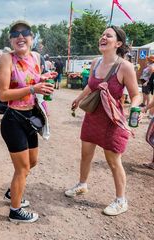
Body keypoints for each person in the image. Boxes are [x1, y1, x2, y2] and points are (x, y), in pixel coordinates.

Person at [65, 26, 140, 216]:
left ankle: (121, 200)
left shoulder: (125, 67)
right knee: (86, 155)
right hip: (92, 118)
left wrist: (135, 107)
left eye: (109, 35)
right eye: (102, 34)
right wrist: (79, 98)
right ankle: (82, 184)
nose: (103, 37)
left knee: (113, 161)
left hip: (112, 122)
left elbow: (135, 94)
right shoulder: (96, 63)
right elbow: (92, 87)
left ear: (119, 43)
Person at [0, 20, 56, 223]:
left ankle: (11, 192)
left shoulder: (36, 57)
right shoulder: (7, 59)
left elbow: (33, 79)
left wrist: (43, 79)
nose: (20, 36)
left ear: (32, 38)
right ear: (11, 40)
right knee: (22, 169)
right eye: (15, 33)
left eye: (25, 32)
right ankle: (15, 211)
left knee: (32, 162)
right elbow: (3, 94)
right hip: (14, 119)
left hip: (31, 116)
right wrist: (33, 88)